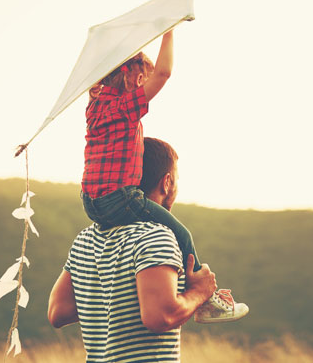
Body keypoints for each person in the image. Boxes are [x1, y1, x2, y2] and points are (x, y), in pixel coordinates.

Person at [80, 30, 245, 322]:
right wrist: (168, 30)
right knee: (182, 235)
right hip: (119, 198)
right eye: (142, 79)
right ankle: (205, 299)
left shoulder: (94, 106)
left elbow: (137, 73)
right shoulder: (123, 107)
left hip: (90, 203)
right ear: (131, 78)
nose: (146, 84)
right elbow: (164, 73)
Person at [48, 137, 249, 362]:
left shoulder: (85, 239)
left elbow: (58, 311)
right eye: (177, 180)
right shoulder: (156, 235)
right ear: (167, 182)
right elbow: (159, 317)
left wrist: (118, 298)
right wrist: (199, 293)